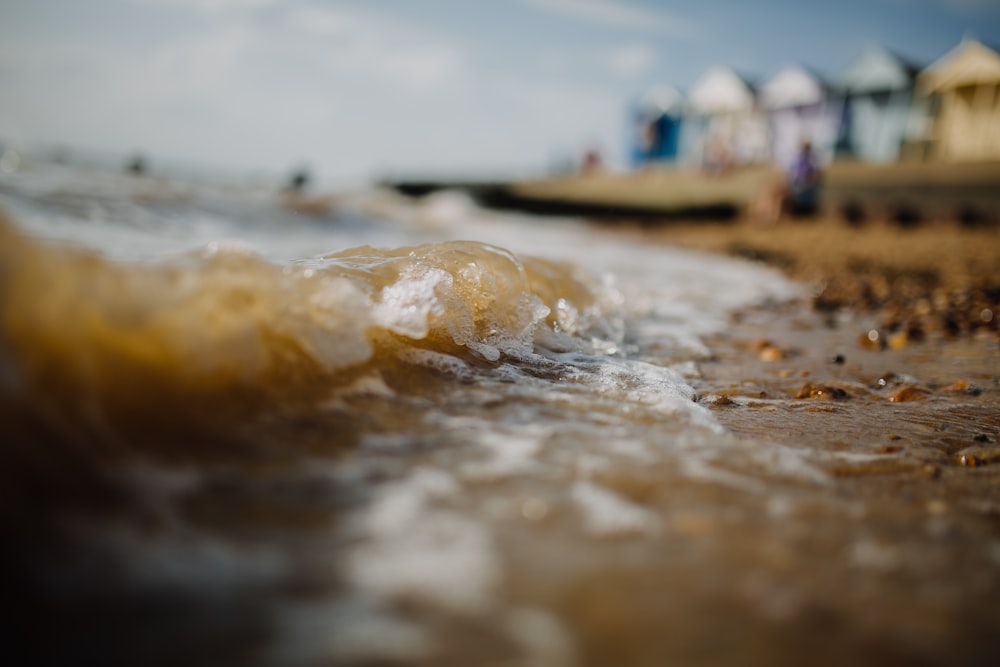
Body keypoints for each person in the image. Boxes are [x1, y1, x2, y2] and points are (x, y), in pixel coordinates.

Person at [786, 140, 821, 216]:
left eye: (807, 147)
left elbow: (816, 172)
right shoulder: (797, 158)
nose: (805, 149)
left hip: (808, 184)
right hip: (798, 185)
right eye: (804, 147)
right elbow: (792, 172)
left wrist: (811, 179)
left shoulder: (813, 159)